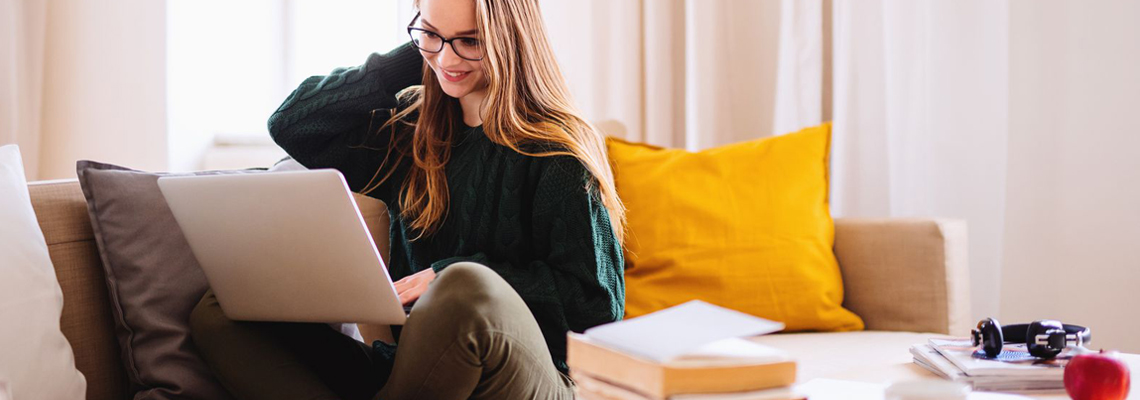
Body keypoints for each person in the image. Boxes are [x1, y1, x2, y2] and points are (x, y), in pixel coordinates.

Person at [188, 0, 626, 398]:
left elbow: (598, 304)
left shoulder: (557, 151)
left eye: (470, 41)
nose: (448, 58)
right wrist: (417, 55)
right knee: (223, 311)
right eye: (431, 34)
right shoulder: (410, 134)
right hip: (411, 371)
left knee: (464, 287)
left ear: (509, 39)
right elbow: (293, 123)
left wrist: (446, 277)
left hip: (524, 377)